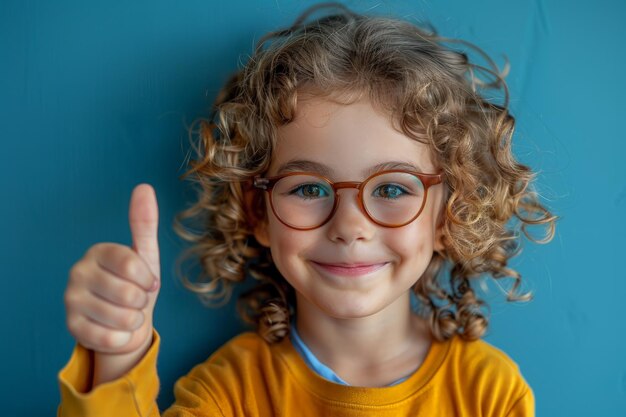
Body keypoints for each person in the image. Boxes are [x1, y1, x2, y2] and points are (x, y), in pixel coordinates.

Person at [58, 3, 556, 416]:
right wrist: (117, 362)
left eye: (392, 189)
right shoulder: (229, 393)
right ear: (258, 212)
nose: (350, 227)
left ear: (451, 213)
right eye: (309, 189)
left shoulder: (490, 394)